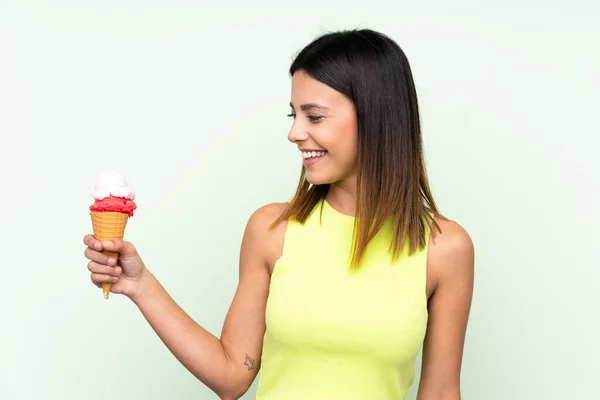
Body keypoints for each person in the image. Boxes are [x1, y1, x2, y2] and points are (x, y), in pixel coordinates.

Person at [83, 28, 474, 400]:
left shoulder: (445, 249)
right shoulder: (272, 230)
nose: (295, 133)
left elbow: (440, 392)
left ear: (375, 117)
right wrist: (139, 284)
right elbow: (232, 375)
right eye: (294, 116)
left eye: (314, 116)